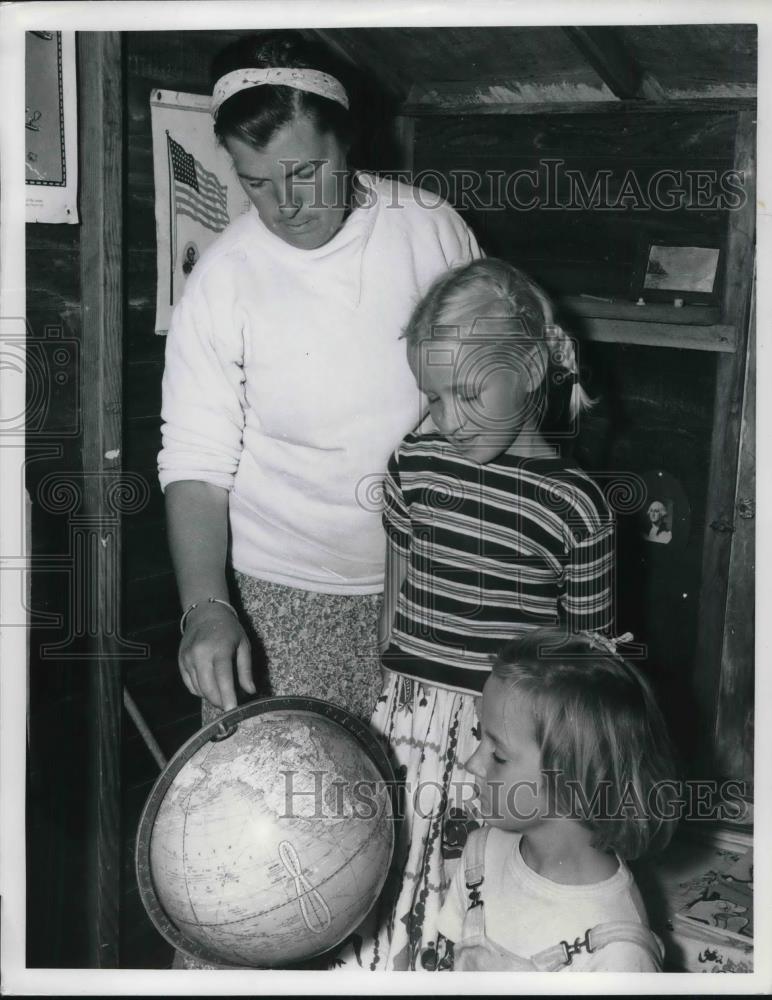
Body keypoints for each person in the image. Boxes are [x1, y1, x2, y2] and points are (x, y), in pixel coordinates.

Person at [158, 32, 481, 725]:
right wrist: (206, 608)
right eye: (256, 182)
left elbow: (491, 398)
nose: (285, 206)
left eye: (305, 172)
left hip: (432, 578)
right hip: (281, 599)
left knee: (423, 803)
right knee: (293, 816)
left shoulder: (431, 231)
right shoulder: (223, 279)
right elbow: (195, 461)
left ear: (349, 142)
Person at [338, 258, 616, 971]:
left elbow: (582, 670)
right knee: (378, 889)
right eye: (432, 398)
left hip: (500, 746)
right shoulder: (413, 466)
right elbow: (393, 605)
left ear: (527, 370)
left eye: (466, 393)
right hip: (405, 725)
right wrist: (385, 711)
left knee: (465, 906)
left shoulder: (576, 506)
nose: (448, 419)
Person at [437, 627, 679, 972]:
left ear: (570, 782)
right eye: (480, 738)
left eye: (499, 756)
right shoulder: (479, 856)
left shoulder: (619, 955)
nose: (472, 762)